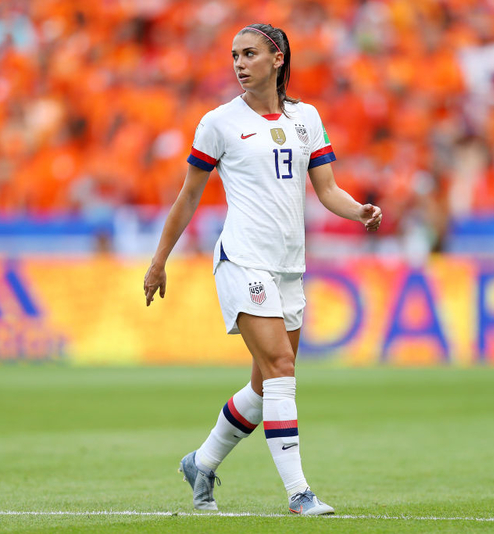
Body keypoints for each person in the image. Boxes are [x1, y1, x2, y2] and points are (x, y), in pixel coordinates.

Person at [143, 23, 382, 516]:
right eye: (234, 55)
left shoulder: (306, 118)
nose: (238, 63)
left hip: (289, 267)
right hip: (242, 259)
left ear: (277, 58)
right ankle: (299, 493)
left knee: (262, 385)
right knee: (282, 369)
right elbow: (189, 197)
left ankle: (201, 463)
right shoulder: (218, 122)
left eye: (249, 53)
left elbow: (327, 189)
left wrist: (358, 209)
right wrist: (159, 259)